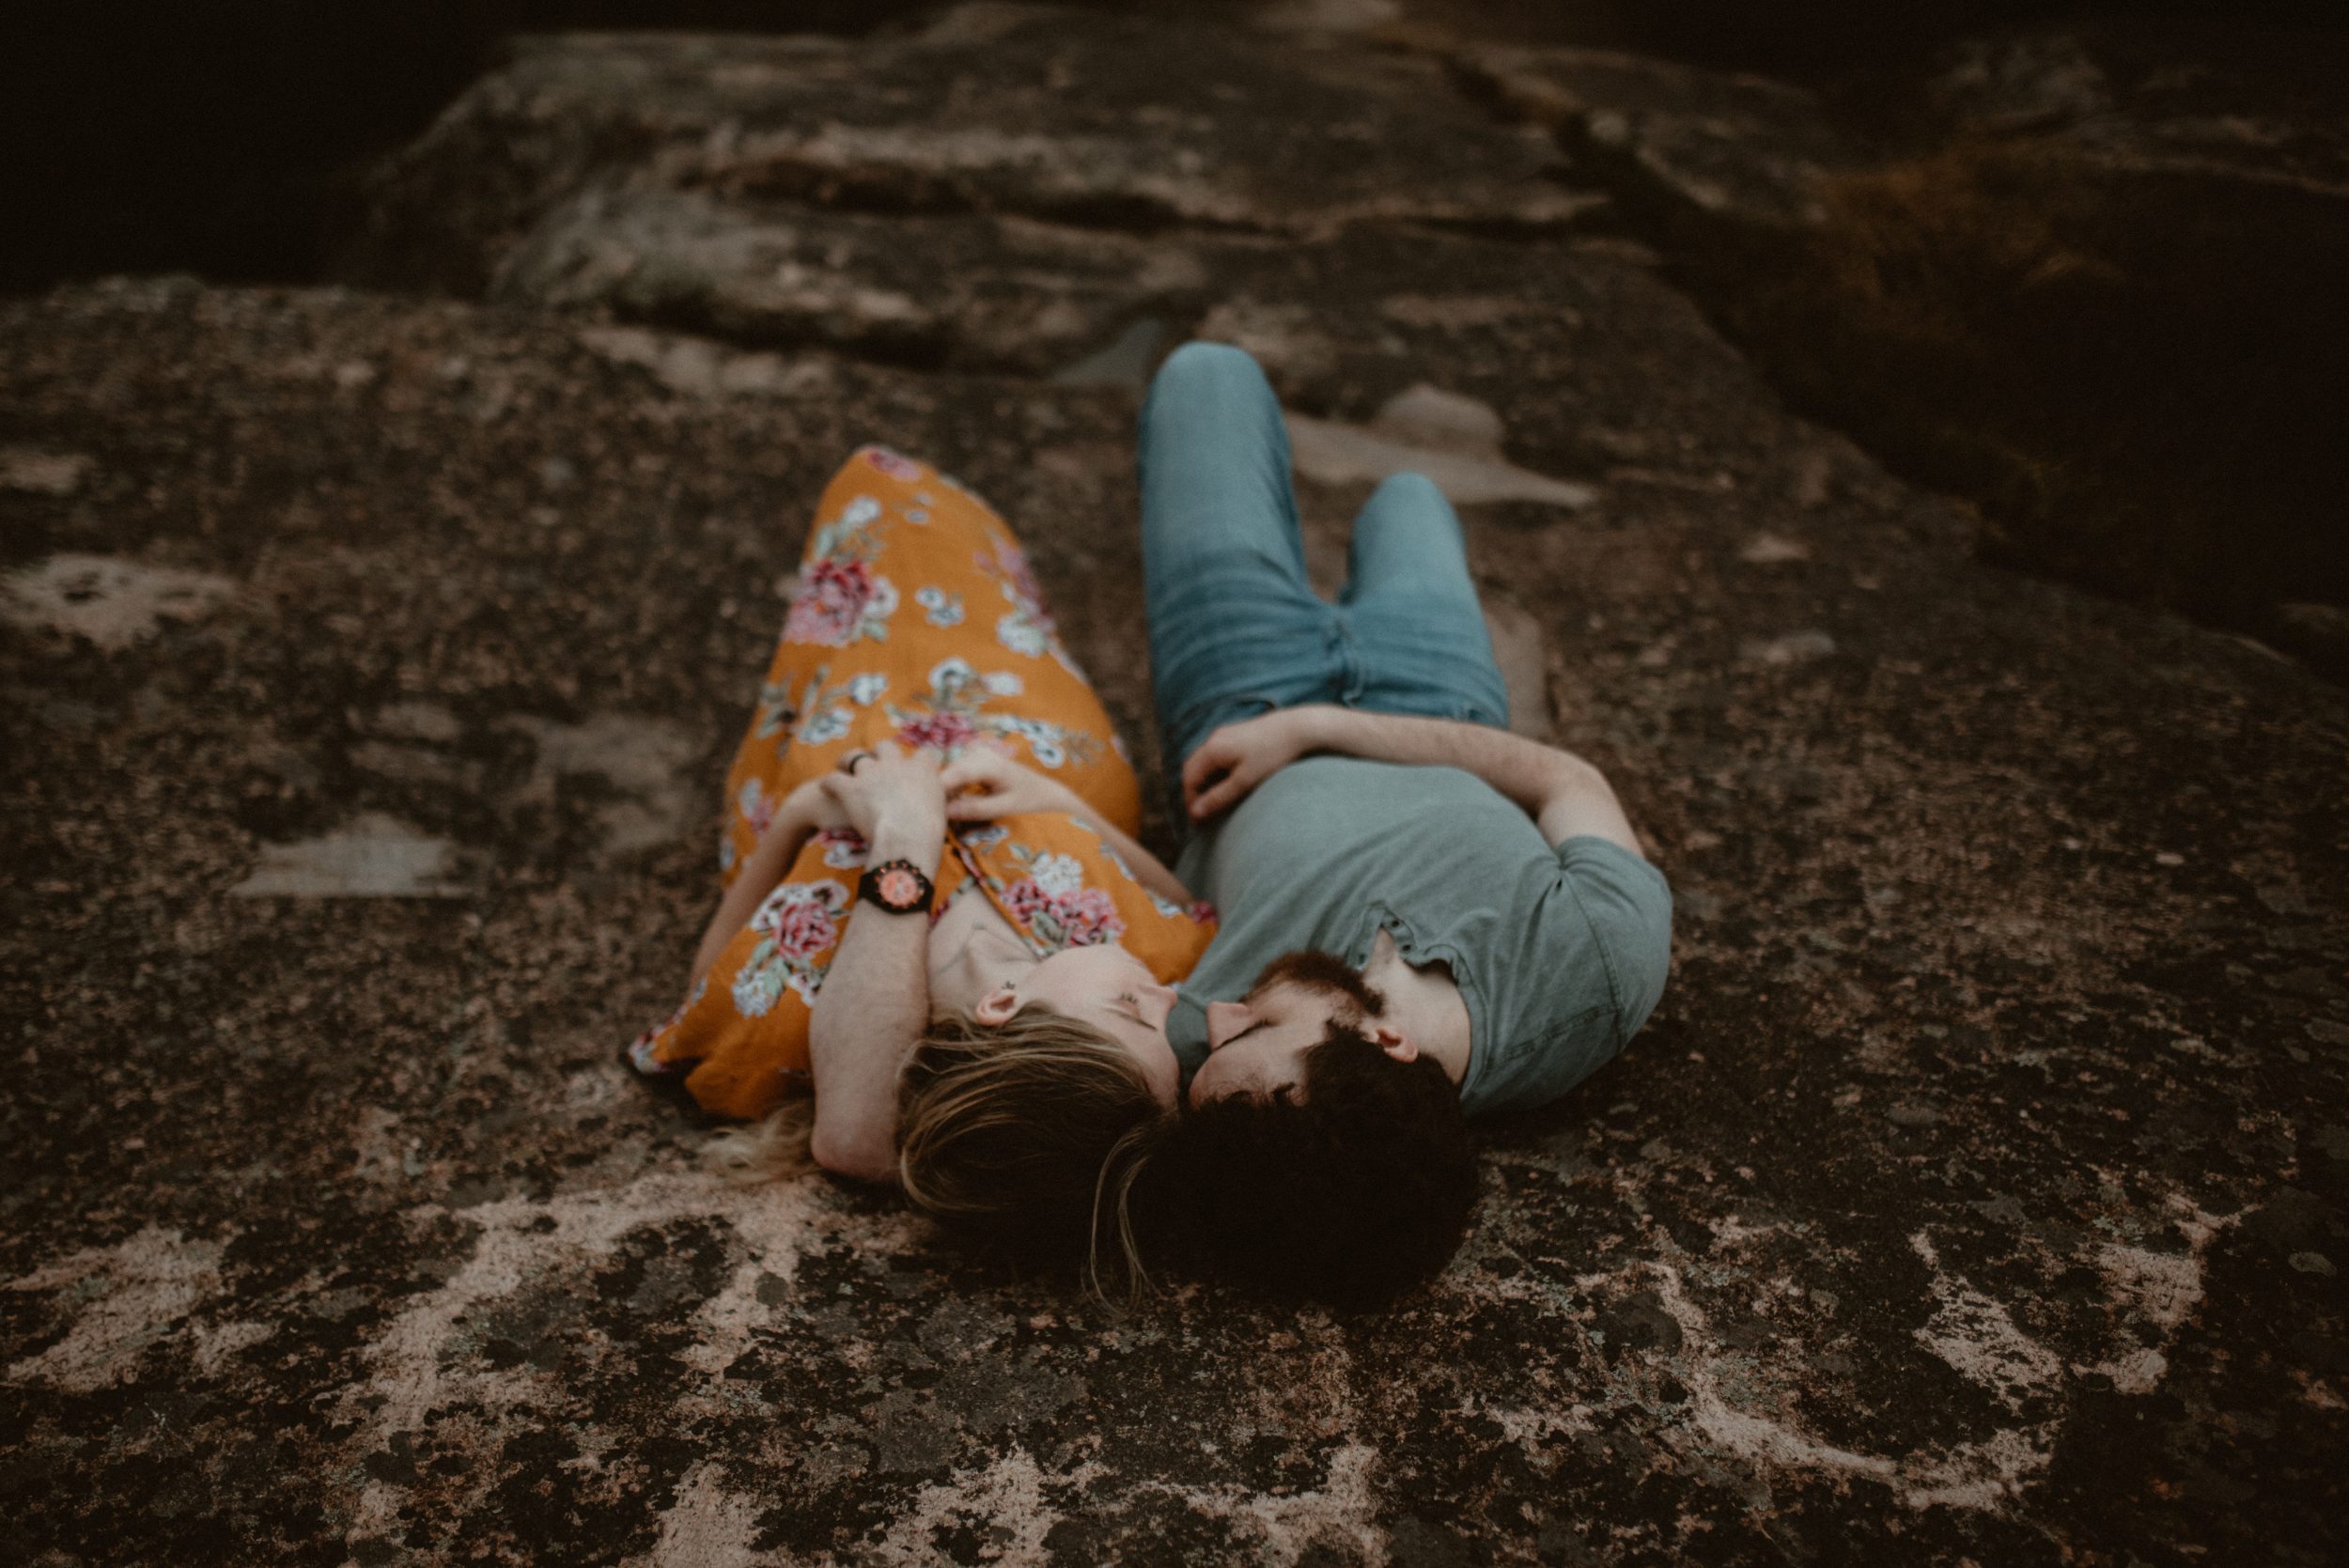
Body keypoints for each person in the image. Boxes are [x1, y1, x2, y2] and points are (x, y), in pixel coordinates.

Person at [1124, 342, 1674, 1307]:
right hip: (1442, 698)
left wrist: (1289, 725)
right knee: (1409, 499)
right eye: (1253, 1027)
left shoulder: (1206, 1065)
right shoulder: (1600, 965)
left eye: (1214, 1046)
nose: (1208, 1012)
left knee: (1206, 374)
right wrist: (1325, 726)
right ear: (1386, 1048)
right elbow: (1563, 779)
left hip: (1234, 698)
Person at [628, 444, 1216, 1270]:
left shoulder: (818, 1010)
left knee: (877, 484)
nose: (1172, 998)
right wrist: (1056, 801)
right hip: (1030, 753)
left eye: (1133, 1011)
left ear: (1005, 1005)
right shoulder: (1147, 955)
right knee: (952, 544)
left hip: (849, 771)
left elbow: (708, 998)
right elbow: (1188, 904)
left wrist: (818, 818)